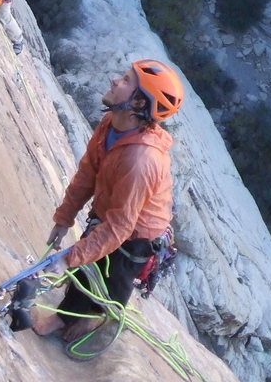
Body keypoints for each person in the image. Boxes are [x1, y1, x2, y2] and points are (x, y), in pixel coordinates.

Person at [32, 59, 184, 342]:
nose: (115, 80)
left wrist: (68, 257)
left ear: (139, 104)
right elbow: (87, 172)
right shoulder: (110, 124)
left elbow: (119, 229)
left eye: (126, 81)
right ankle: (70, 315)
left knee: (112, 280)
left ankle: (92, 318)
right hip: (112, 211)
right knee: (88, 266)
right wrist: (64, 218)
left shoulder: (141, 160)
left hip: (138, 232)